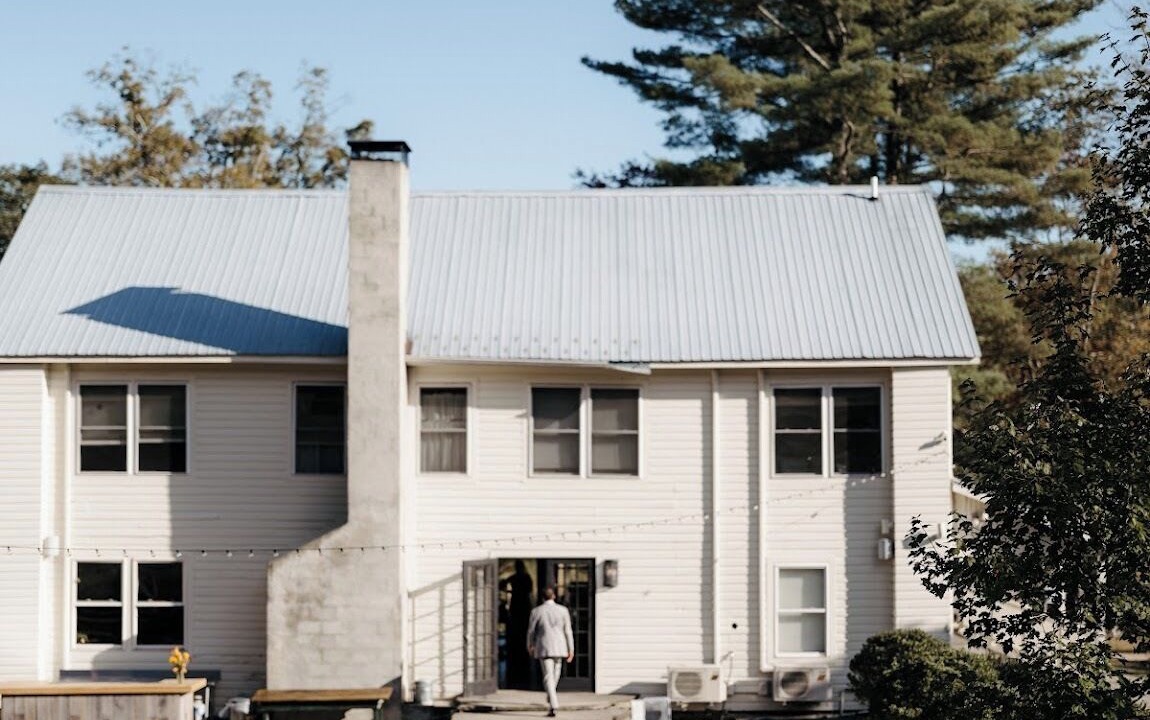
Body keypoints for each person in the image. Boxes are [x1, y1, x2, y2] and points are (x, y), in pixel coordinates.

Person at [527, 586, 574, 717]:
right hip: (560, 646)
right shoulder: (563, 610)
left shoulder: (537, 611)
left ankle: (550, 693)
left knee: (550, 676)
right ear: (553, 596)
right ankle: (554, 705)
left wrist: (530, 644)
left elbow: (531, 631)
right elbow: (568, 630)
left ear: (542, 597)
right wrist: (571, 648)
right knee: (552, 675)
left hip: (544, 645)